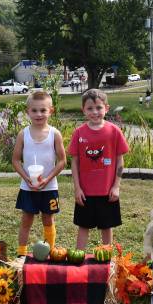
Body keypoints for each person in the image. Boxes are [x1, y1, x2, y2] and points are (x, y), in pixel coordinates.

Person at [68, 89, 129, 249]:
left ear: (106, 108)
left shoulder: (114, 131)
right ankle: (78, 258)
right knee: (83, 226)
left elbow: (120, 160)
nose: (94, 112)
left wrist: (116, 186)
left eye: (98, 108)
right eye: (90, 108)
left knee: (106, 226)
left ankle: (107, 259)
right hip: (85, 193)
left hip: (107, 192)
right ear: (83, 110)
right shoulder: (79, 133)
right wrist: (77, 188)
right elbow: (74, 162)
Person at [12, 90, 66, 257]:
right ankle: (21, 254)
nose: (38, 114)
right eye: (34, 110)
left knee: (48, 219)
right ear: (27, 111)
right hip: (28, 188)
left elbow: (62, 161)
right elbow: (15, 160)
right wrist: (26, 178)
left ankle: (49, 253)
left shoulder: (54, 134)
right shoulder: (23, 134)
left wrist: (48, 179)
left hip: (49, 187)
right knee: (26, 220)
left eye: (43, 110)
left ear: (51, 111)